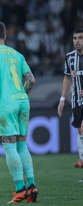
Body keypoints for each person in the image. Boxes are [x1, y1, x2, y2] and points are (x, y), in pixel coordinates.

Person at [0, 21, 37, 203]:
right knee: (22, 145)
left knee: (9, 146)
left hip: (6, 104)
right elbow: (31, 79)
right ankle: (32, 186)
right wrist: (21, 94)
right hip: (23, 101)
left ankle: (20, 191)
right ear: (5, 37)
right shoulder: (17, 53)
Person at [58, 28, 83, 172]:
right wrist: (62, 98)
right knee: (80, 133)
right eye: (75, 38)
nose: (77, 41)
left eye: (80, 38)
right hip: (76, 101)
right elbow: (67, 78)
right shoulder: (70, 57)